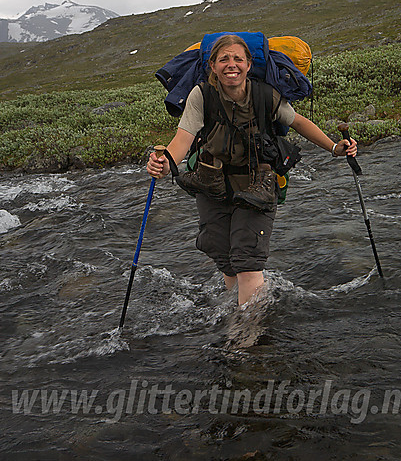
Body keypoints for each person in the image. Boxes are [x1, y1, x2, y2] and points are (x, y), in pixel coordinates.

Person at [147, 34, 357, 306]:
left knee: (247, 262)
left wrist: (334, 148)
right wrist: (165, 166)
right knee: (224, 255)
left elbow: (299, 123)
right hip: (210, 184)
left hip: (258, 185)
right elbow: (183, 139)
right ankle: (236, 306)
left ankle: (246, 337)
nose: (230, 64)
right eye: (223, 59)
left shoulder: (265, 95)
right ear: (212, 66)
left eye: (237, 59)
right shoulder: (201, 94)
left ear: (248, 65)